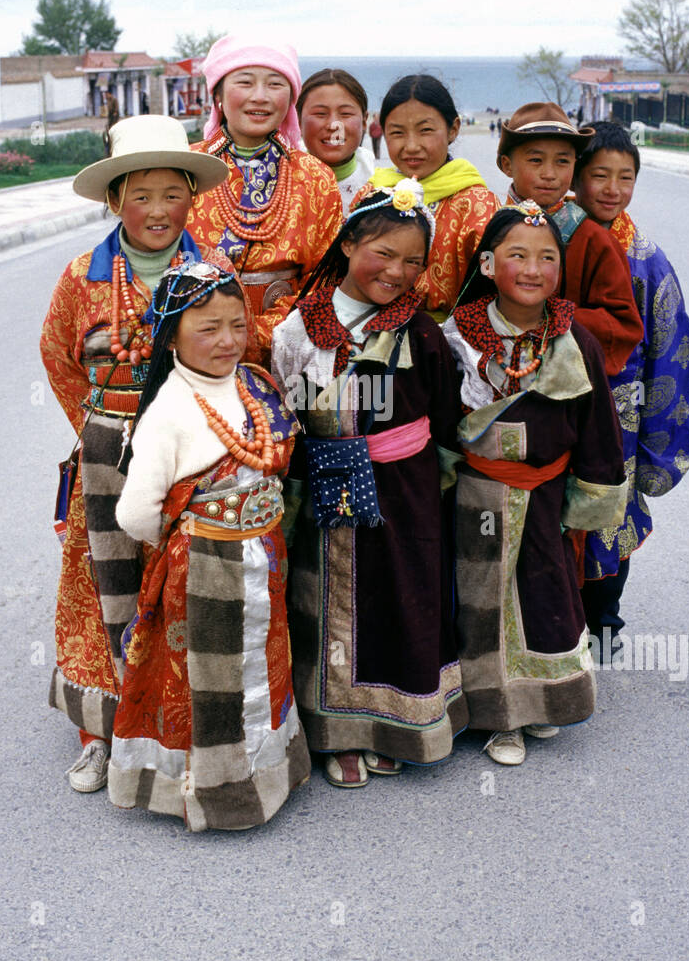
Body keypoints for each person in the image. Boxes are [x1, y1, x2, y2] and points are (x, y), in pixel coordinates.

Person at [40, 116, 230, 793]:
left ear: (191, 198)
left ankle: (181, 730)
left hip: (189, 454)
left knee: (179, 585)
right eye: (140, 194)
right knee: (100, 588)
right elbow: (59, 356)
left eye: (171, 194)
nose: (157, 210)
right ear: (115, 200)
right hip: (106, 452)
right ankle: (99, 730)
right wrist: (96, 430)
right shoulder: (81, 277)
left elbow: (236, 355)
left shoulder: (212, 272)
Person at [271, 183, 467, 787]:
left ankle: (402, 723)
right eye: (383, 252)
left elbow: (447, 420)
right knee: (329, 606)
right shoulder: (298, 333)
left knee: (403, 597)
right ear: (349, 241)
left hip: (407, 495)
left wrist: (435, 489)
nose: (397, 272)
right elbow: (291, 412)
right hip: (326, 489)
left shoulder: (423, 334)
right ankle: (339, 734)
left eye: (414, 262)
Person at [110, 261, 310, 830]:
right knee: (213, 684)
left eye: (238, 325)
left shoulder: (254, 384)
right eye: (208, 328)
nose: (228, 341)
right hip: (204, 569)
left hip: (264, 556)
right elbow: (135, 515)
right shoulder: (167, 413)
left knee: (266, 667)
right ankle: (219, 795)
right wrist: (195, 544)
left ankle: (271, 774)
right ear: (170, 334)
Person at [444, 207, 627, 766]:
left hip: (545, 494)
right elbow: (434, 422)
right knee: (483, 602)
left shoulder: (576, 343)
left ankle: (543, 699)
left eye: (547, 257)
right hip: (476, 497)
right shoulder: (456, 339)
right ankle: (499, 719)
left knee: (545, 595)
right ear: (486, 262)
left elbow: (599, 429)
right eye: (517, 255)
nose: (532, 269)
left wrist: (591, 499)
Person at [573, 122, 689, 655]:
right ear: (576, 177)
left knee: (609, 512)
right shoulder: (550, 240)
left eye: (625, 177)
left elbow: (671, 345)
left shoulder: (646, 257)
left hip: (622, 412)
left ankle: (605, 620)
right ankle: (556, 625)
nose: (612, 188)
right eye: (599, 174)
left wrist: (658, 432)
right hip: (554, 405)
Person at [187, 36, 344, 361]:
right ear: (217, 93)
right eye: (245, 82)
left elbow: (326, 279)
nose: (260, 97)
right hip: (193, 348)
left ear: (290, 97)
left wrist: (257, 334)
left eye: (275, 84)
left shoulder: (316, 178)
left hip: (287, 350)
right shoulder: (186, 170)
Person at [496, 102, 642, 375]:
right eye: (536, 160)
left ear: (575, 167)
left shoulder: (594, 240)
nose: (550, 174)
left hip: (569, 386)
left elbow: (622, 326)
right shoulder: (488, 230)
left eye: (562, 161)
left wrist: (546, 317)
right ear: (507, 164)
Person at [365, 73, 499, 320]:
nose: (412, 145)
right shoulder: (373, 194)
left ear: (453, 129)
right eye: (397, 133)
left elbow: (492, 288)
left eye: (425, 130)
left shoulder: (476, 204)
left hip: (452, 338)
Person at [297, 67, 374, 216]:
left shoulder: (379, 187)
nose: (333, 125)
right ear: (298, 121)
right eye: (320, 114)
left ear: (364, 121)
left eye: (345, 114)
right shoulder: (277, 181)